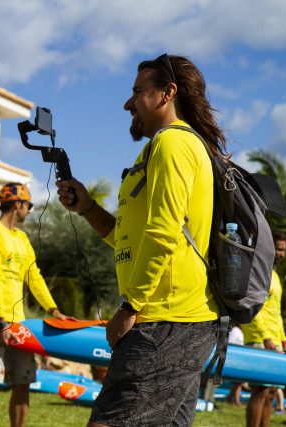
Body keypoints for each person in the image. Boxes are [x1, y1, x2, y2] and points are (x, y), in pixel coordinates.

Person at [57, 53, 223, 426]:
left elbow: (164, 233)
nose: (127, 103)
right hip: (177, 321)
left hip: (164, 320)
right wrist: (87, 208)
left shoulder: (173, 144)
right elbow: (129, 239)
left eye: (137, 92)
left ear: (167, 93)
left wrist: (129, 308)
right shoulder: (155, 150)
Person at [0, 182, 73, 427]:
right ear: (17, 204)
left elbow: (33, 276)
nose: (29, 210)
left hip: (19, 322)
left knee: (23, 381)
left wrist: (53, 309)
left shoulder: (22, 239)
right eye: (28, 205)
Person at [241, 230, 286, 427]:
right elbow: (254, 307)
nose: (282, 254)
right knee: (259, 390)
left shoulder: (275, 276)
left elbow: (275, 312)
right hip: (261, 337)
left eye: (283, 250)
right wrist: (266, 336)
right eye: (279, 249)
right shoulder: (259, 271)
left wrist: (282, 338)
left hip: (275, 339)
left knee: (270, 392)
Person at [225, 323, 246, 406]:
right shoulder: (235, 331)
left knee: (238, 382)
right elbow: (230, 343)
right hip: (236, 359)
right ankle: (235, 400)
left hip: (239, 359)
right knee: (237, 381)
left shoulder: (239, 332)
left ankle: (231, 399)